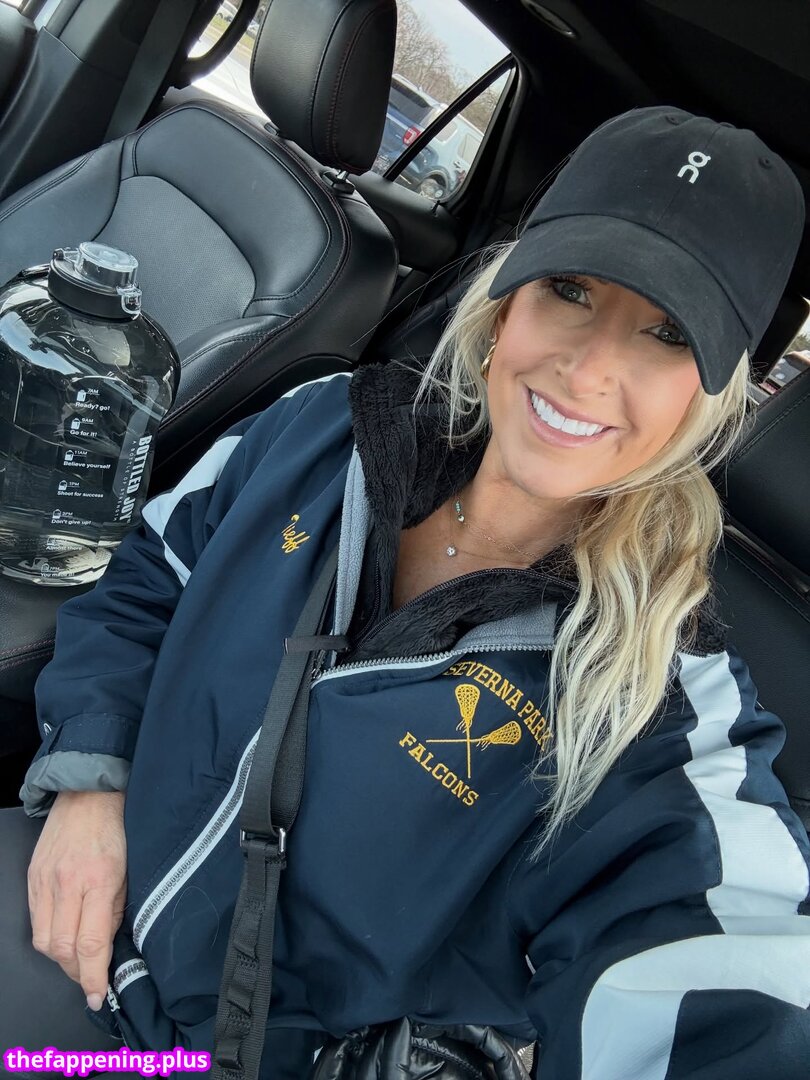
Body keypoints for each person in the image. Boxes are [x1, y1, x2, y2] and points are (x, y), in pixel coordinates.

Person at [1, 105, 809, 1079]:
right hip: (62, 903)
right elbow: (148, 580)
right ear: (505, 300)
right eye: (570, 290)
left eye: (666, 334)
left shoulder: (666, 708)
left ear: (708, 396)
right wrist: (92, 784)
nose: (590, 369)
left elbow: (725, 962)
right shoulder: (321, 430)